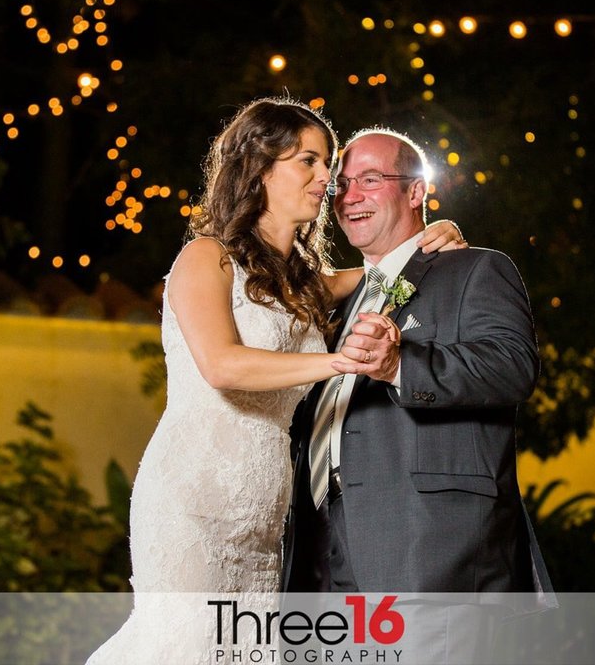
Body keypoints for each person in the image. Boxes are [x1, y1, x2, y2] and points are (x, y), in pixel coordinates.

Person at [86, 100, 464, 664]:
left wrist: (435, 236)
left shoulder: (306, 283)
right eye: (308, 161)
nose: (325, 180)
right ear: (261, 168)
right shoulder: (205, 257)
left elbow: (385, 268)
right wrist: (340, 362)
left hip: (265, 515)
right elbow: (223, 365)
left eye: (327, 166)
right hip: (192, 498)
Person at [282, 127, 553, 658]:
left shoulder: (474, 268)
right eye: (342, 184)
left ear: (415, 192)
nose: (349, 195)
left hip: (430, 551)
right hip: (325, 552)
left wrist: (401, 363)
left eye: (371, 179)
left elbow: (513, 367)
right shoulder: (339, 300)